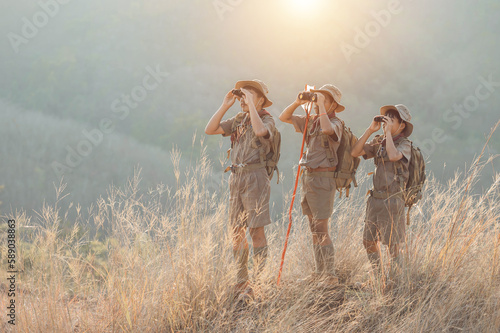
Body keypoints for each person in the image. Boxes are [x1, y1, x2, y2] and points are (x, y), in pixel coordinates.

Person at [205, 79, 276, 299]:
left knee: (256, 231)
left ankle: (259, 281)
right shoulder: (238, 119)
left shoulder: (266, 119)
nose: (243, 101)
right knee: (236, 232)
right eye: (242, 96)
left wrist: (252, 106)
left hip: (255, 177)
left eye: (249, 96)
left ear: (261, 100)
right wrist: (226, 104)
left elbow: (261, 131)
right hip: (236, 177)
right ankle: (241, 280)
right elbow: (210, 129)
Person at [279, 84, 346, 286]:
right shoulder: (311, 121)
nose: (319, 103)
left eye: (325, 99)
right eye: (319, 99)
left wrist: (322, 107)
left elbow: (328, 130)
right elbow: (284, 117)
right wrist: (300, 102)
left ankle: (330, 275)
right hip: (308, 177)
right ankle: (320, 272)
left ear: (333, 104)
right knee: (313, 228)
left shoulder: (335, 122)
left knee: (321, 227)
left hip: (324, 179)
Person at [350, 104, 413, 290]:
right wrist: (371, 130)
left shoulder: (405, 144)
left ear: (402, 126)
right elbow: (355, 152)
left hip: (393, 200)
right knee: (368, 241)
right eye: (386, 118)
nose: (387, 121)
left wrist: (387, 135)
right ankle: (379, 279)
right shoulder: (379, 141)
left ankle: (407, 282)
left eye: (391, 120)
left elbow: (394, 156)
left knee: (393, 247)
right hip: (375, 199)